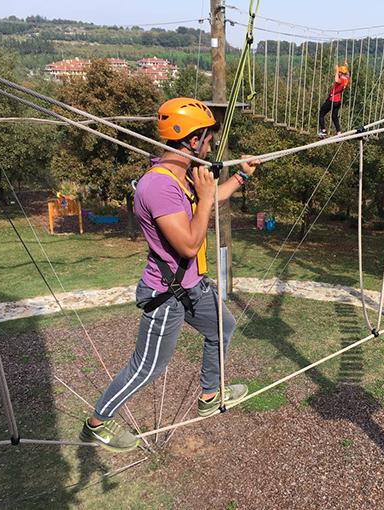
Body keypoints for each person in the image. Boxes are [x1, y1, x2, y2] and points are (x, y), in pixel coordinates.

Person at [80, 97, 260, 452]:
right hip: (166, 294)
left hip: (192, 287)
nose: (210, 147)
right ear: (192, 141)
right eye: (208, 140)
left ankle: (209, 394)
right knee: (148, 368)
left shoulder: (183, 176)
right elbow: (190, 245)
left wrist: (240, 176)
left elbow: (210, 198)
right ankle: (97, 422)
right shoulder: (158, 187)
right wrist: (206, 195)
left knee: (224, 327)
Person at [318, 62, 350, 138]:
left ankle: (323, 130)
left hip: (332, 100)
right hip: (338, 101)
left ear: (340, 73)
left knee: (321, 113)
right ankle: (338, 132)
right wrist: (346, 66)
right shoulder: (346, 79)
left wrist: (336, 71)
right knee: (334, 116)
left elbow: (336, 80)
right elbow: (348, 74)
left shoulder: (341, 79)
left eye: (339, 72)